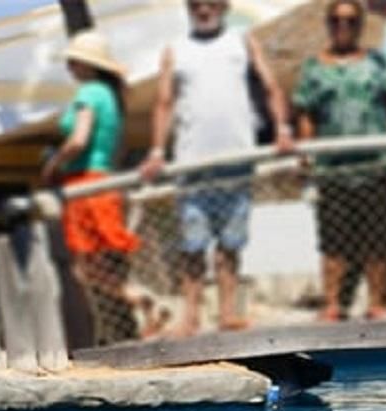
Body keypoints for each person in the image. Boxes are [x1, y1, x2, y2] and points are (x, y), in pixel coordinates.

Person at [139, 0, 294, 337]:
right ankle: (190, 317)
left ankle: (226, 313)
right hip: (192, 163)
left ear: (223, 7)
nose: (204, 10)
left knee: (230, 243)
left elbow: (271, 86)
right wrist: (155, 150)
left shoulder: (243, 40)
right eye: (196, 5)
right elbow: (164, 102)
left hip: (236, 159)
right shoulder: (175, 50)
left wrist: (282, 129)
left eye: (210, 4)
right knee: (192, 244)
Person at [293, 0, 386, 321]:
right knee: (333, 240)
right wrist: (306, 152)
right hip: (333, 168)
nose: (344, 27)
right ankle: (333, 303)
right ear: (328, 24)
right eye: (337, 21)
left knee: (377, 239)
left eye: (351, 21)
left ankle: (378, 302)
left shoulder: (377, 63)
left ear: (360, 25)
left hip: (375, 165)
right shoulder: (313, 68)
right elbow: (306, 114)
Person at [40, 30, 143, 345]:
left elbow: (79, 140)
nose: (70, 65)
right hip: (102, 181)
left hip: (84, 183)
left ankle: (141, 299)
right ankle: (134, 307)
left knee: (85, 268)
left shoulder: (89, 94)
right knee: (98, 263)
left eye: (74, 60)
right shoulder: (110, 96)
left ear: (86, 64)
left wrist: (53, 164)